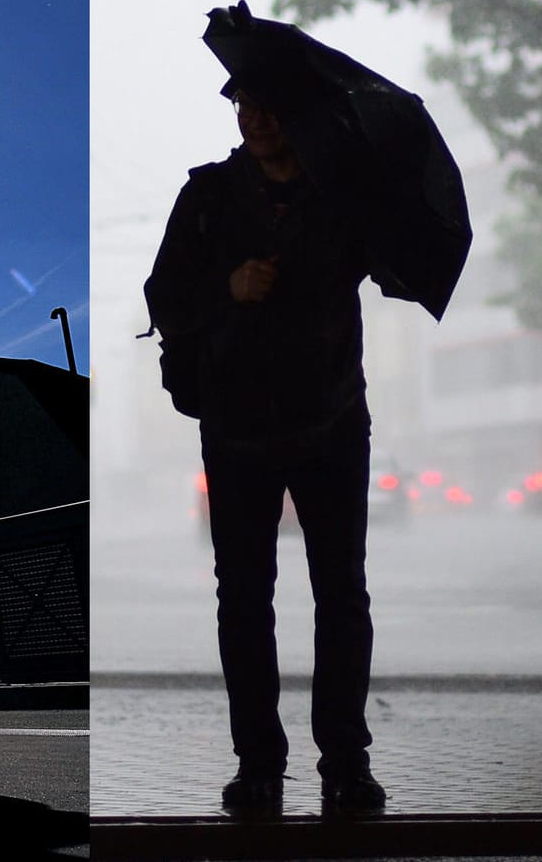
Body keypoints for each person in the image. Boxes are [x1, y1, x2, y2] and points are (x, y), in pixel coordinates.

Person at [143, 82, 386, 818]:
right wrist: (229, 284)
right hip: (239, 425)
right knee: (245, 600)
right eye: (244, 104)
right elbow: (163, 297)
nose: (256, 116)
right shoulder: (210, 197)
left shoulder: (342, 193)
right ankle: (259, 765)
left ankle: (346, 761)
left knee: (341, 593)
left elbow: (390, 264)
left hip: (333, 418)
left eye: (270, 104)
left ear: (298, 113)